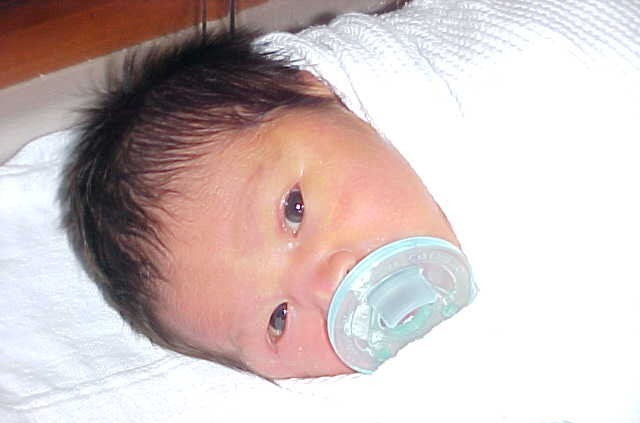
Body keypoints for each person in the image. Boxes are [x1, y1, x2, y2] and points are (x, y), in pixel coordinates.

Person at [63, 0, 638, 379]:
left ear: (317, 88)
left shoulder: (523, 89)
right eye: (278, 320)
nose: (323, 284)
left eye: (293, 210)